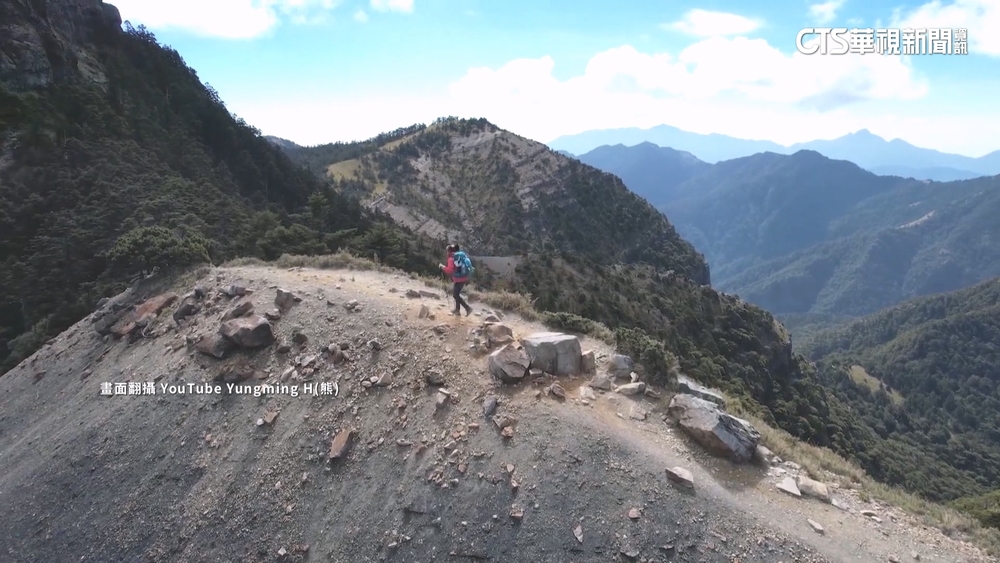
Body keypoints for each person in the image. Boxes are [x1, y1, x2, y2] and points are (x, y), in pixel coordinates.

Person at [439, 244, 473, 316]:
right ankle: (457, 311)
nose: (446, 253)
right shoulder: (459, 256)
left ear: (449, 251)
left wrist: (442, 267)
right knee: (456, 293)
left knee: (455, 295)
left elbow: (450, 270)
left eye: (447, 251)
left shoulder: (451, 258)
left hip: (459, 279)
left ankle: (468, 308)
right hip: (463, 277)